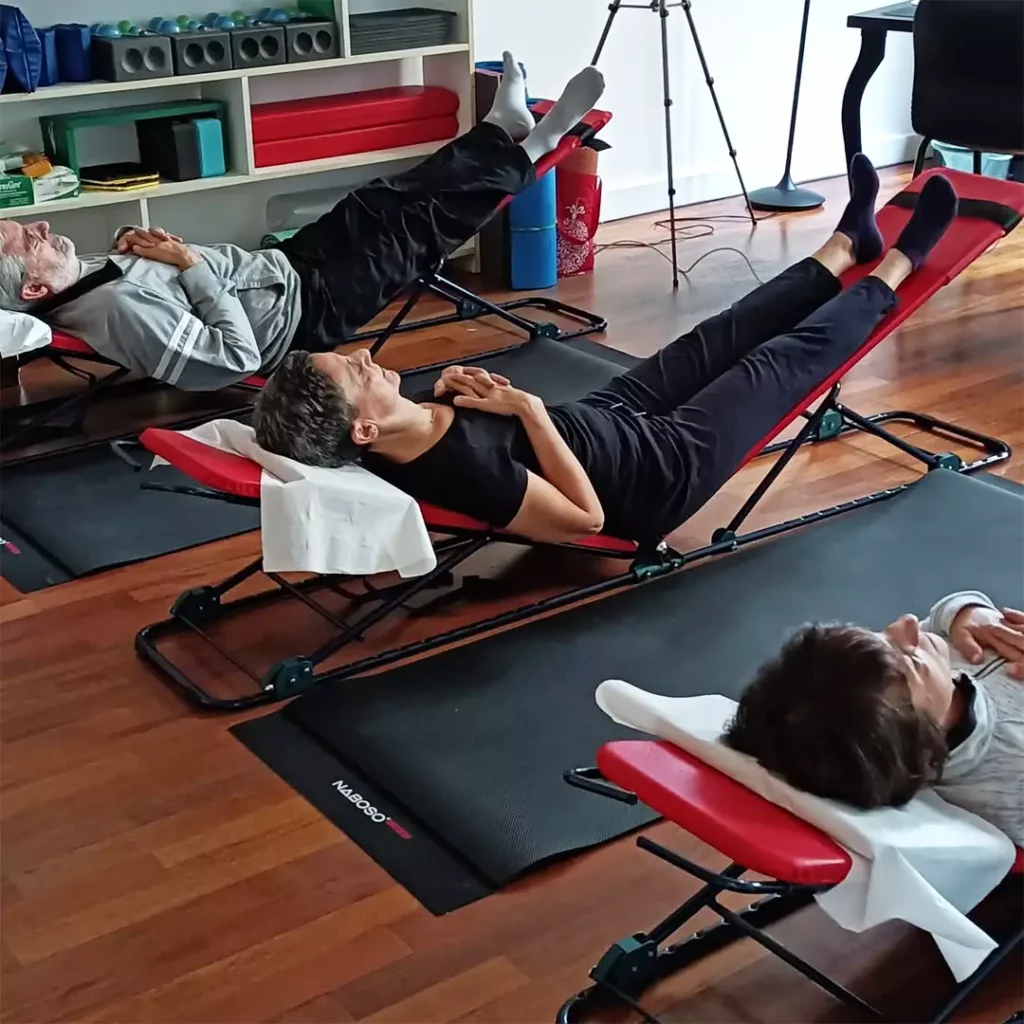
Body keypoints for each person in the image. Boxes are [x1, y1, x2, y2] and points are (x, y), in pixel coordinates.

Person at [254, 155, 963, 547]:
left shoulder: (406, 417)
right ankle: (901, 262)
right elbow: (585, 519)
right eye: (353, 372)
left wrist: (479, 392)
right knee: (776, 364)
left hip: (603, 420)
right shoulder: (461, 473)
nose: (362, 357)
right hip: (655, 473)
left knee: (722, 332)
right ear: (363, 430)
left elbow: (496, 429)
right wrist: (527, 410)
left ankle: (846, 245)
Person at [0, 55, 604, 390]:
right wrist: (189, 264)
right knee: (424, 225)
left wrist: (139, 247)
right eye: (26, 240)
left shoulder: (82, 278)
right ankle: (535, 146)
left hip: (284, 270)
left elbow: (159, 287)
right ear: (34, 289)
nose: (39, 226)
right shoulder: (114, 311)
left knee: (382, 197)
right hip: (305, 312)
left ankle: (498, 129)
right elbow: (233, 360)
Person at [723, 593, 1024, 845]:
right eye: (912, 661)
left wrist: (965, 613)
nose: (907, 622)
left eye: (882, 634)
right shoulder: (1011, 767)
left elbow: (936, 621)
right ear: (921, 746)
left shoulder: (916, 680)